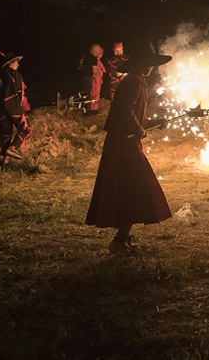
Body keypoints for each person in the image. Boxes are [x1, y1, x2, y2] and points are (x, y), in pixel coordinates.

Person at [85, 39, 172, 257]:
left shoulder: (135, 80)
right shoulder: (135, 82)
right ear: (143, 64)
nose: (153, 67)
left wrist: (153, 122)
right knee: (138, 188)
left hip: (126, 142)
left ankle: (123, 238)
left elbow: (136, 116)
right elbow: (125, 110)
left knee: (130, 190)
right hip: (123, 145)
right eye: (150, 63)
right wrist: (138, 127)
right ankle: (119, 240)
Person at [0, 52, 31, 161]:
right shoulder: (15, 74)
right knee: (25, 128)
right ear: (10, 64)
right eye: (16, 62)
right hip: (12, 104)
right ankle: (12, 148)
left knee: (6, 132)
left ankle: (5, 160)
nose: (18, 64)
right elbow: (19, 91)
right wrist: (24, 104)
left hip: (0, 106)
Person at [77, 44, 105, 114]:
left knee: (82, 94)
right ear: (94, 49)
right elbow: (94, 71)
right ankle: (87, 111)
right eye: (98, 50)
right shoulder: (93, 58)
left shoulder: (84, 56)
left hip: (80, 76)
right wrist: (99, 74)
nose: (98, 52)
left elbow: (79, 66)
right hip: (88, 78)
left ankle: (83, 109)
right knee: (87, 95)